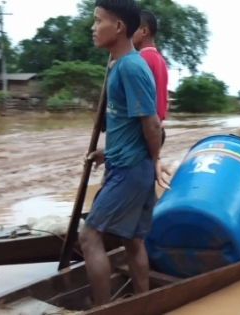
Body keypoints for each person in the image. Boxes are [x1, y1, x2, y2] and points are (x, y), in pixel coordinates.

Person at [80, 0, 169, 306]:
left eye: (97, 20)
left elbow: (152, 124)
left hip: (129, 171)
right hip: (126, 164)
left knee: (89, 237)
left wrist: (152, 163)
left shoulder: (130, 67)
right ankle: (142, 302)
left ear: (118, 27)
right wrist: (107, 152)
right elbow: (130, 128)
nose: (93, 28)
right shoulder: (119, 65)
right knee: (132, 240)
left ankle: (104, 308)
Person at [132, 10, 169, 147]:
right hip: (159, 129)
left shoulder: (140, 60)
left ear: (144, 31)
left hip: (145, 132)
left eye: (132, 28)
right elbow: (165, 100)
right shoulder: (160, 60)